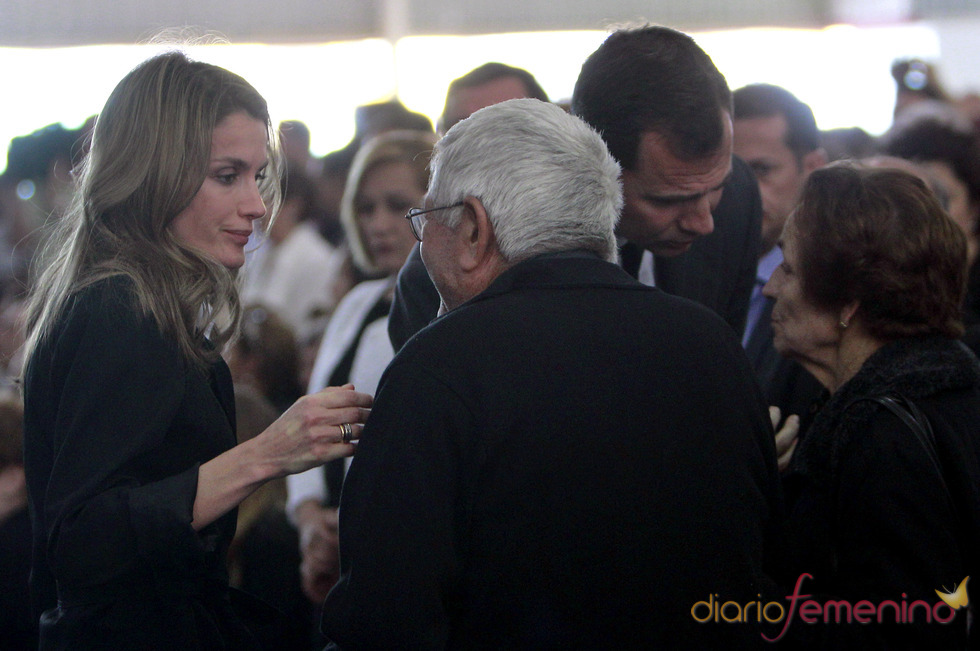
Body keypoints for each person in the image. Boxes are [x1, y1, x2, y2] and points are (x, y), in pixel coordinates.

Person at [321, 99, 782, 648]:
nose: (422, 247)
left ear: (473, 228)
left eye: (426, 223)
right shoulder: (711, 344)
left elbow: (387, 615)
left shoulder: (437, 366)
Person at [19, 51, 372, 650]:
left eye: (256, 177)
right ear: (153, 174)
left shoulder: (135, 302)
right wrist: (266, 455)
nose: (257, 206)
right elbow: (83, 540)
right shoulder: (121, 310)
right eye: (226, 175)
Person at [763, 163, 980, 648]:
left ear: (848, 304)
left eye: (790, 268)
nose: (771, 286)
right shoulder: (939, 391)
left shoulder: (883, 436)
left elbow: (895, 627)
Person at [286, 130, 436, 632]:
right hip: (332, 555)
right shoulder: (356, 304)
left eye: (398, 206)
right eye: (366, 208)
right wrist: (309, 519)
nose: (379, 225)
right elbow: (312, 420)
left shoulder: (453, 316)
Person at [569, 25, 762, 338]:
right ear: (592, 167)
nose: (703, 223)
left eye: (714, 188)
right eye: (669, 200)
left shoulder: (739, 197)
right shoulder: (518, 244)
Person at [387, 62, 549, 350]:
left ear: (550, 133)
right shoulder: (425, 274)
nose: (475, 146)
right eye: (457, 130)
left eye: (497, 128)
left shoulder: (612, 230)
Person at [732, 83, 826, 440]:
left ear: (813, 167)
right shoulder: (677, 272)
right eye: (730, 174)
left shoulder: (832, 290)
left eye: (761, 170)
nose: (742, 192)